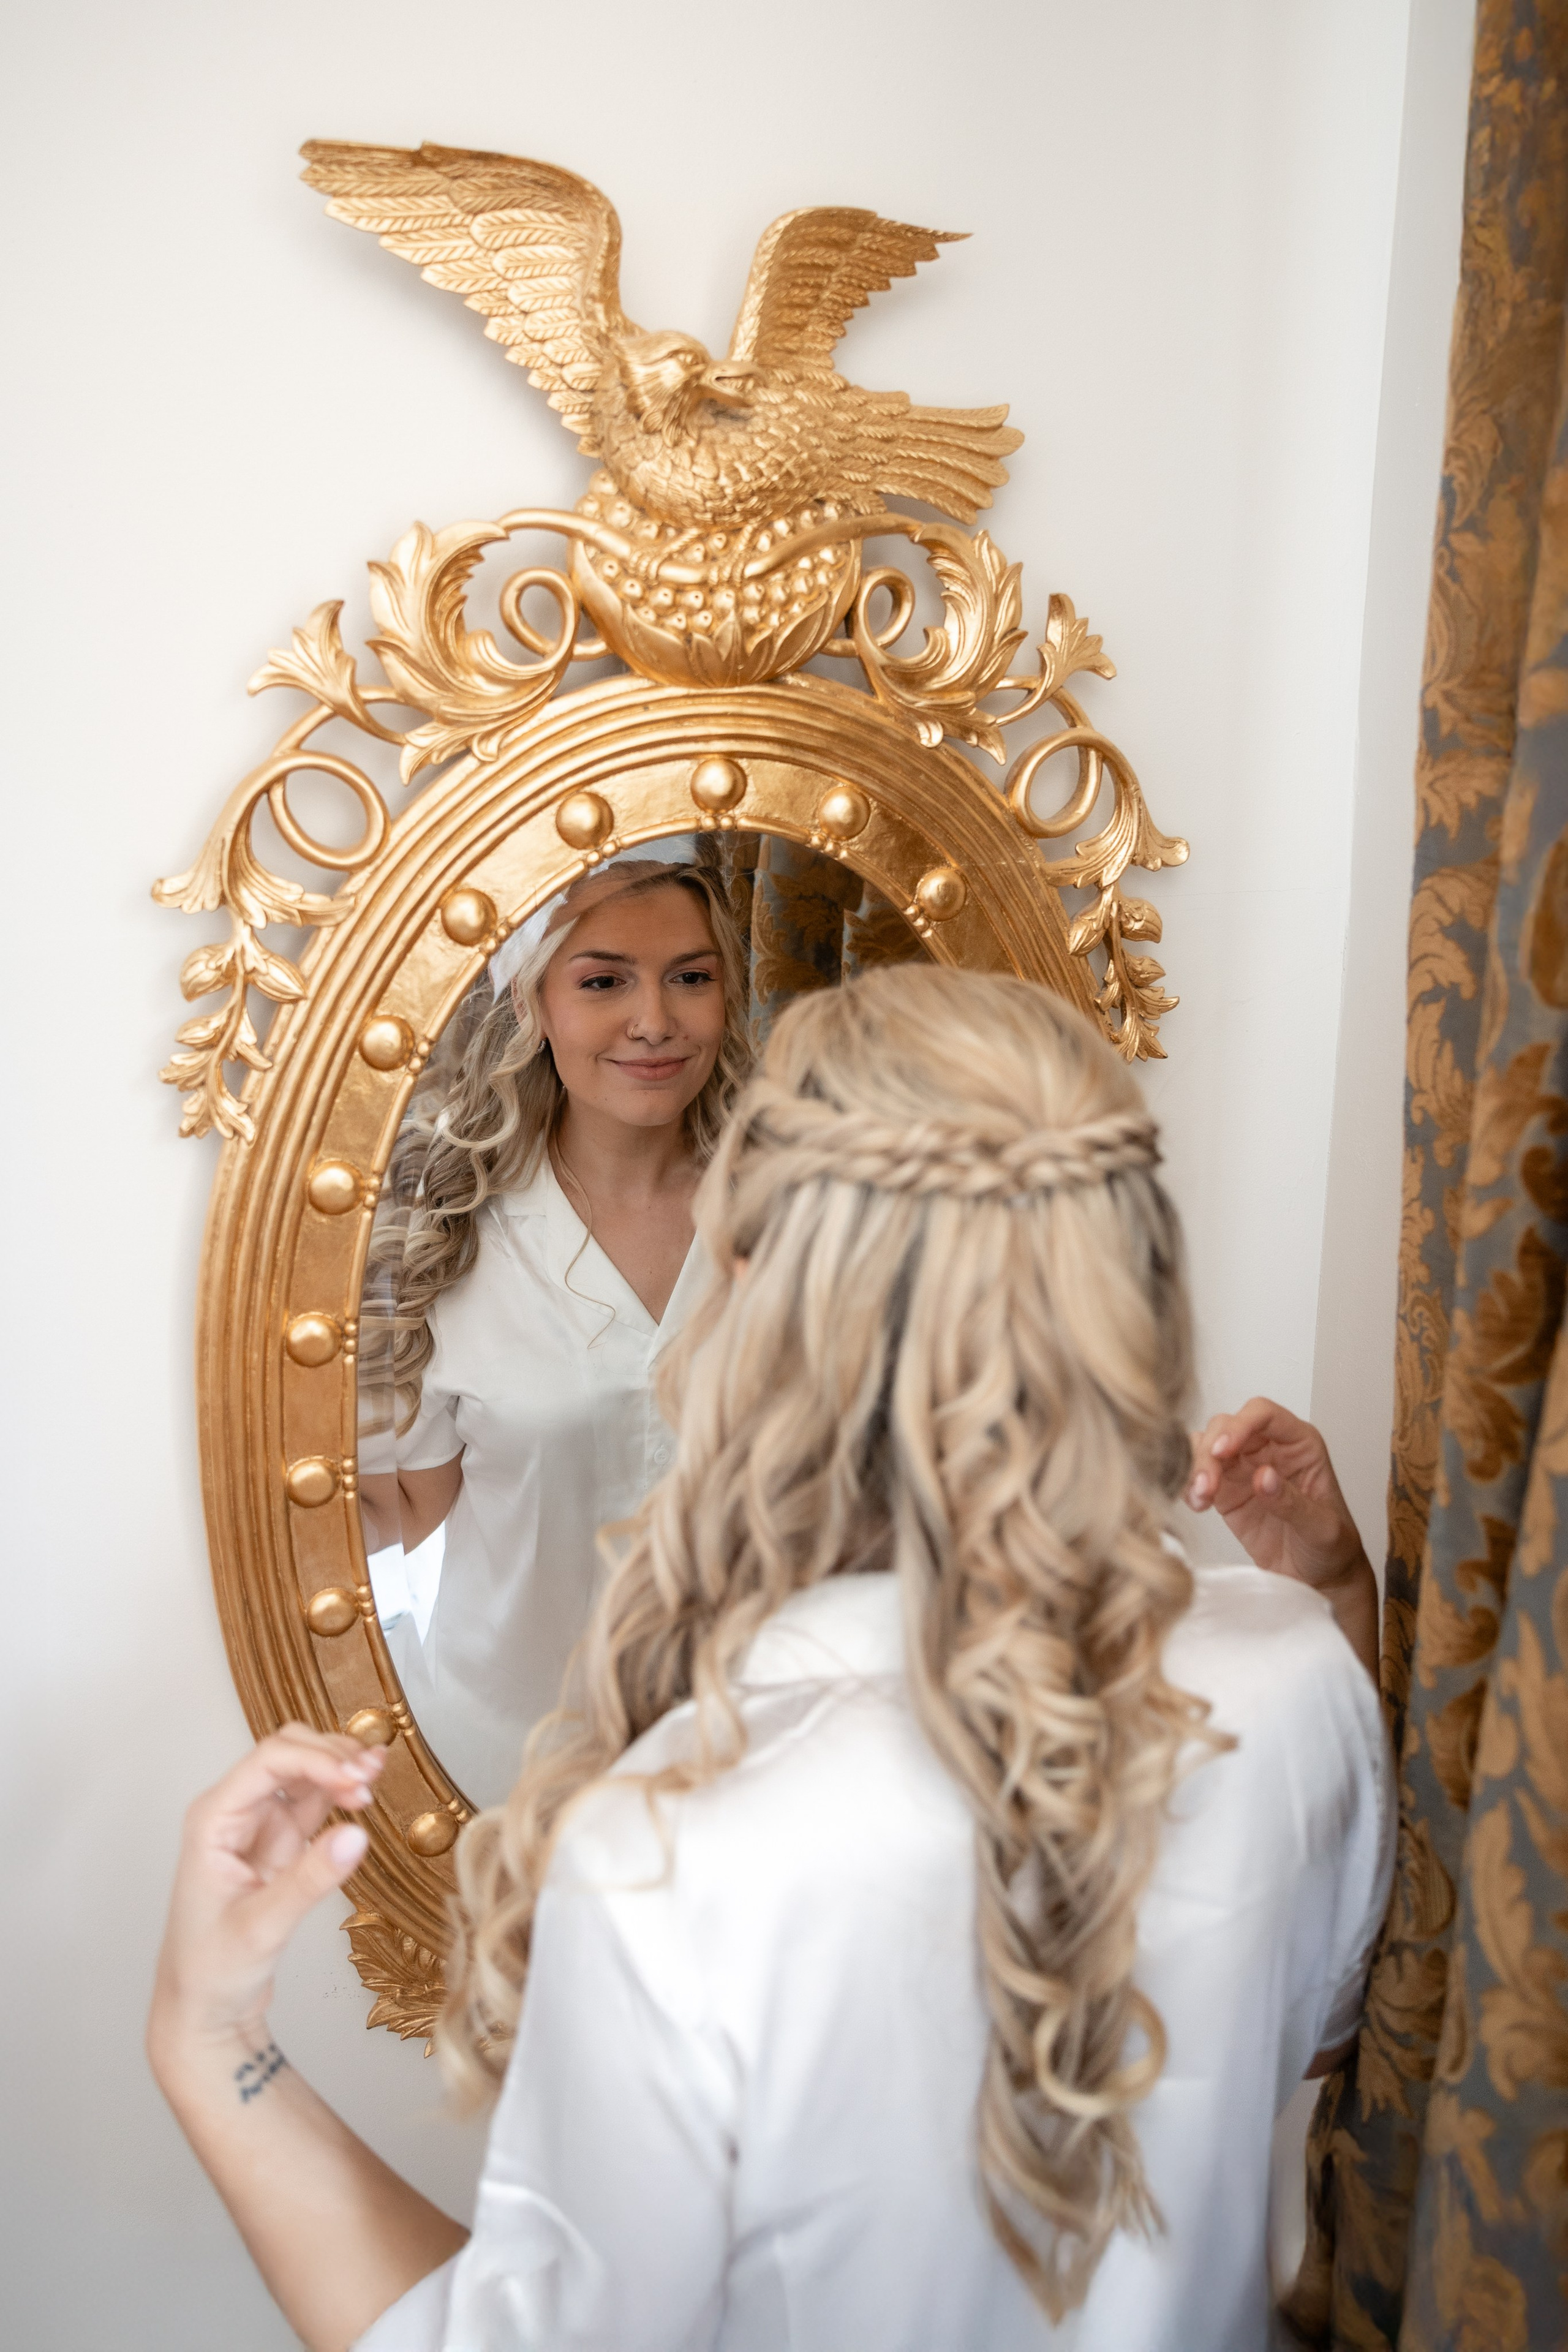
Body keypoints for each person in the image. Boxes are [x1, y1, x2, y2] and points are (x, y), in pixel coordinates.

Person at [149, 968, 1393, 2352]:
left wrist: (212, 2045)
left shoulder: (678, 1856)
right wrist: (1332, 1590)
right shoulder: (1296, 1678)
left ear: (744, 1283)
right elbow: (1312, 2038)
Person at [358, 855, 751, 1803]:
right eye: (604, 980)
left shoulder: (798, 1210)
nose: (654, 1020)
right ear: (533, 1002)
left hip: (753, 1755)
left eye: (691, 978)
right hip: (509, 1765)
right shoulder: (444, 1240)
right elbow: (393, 1512)